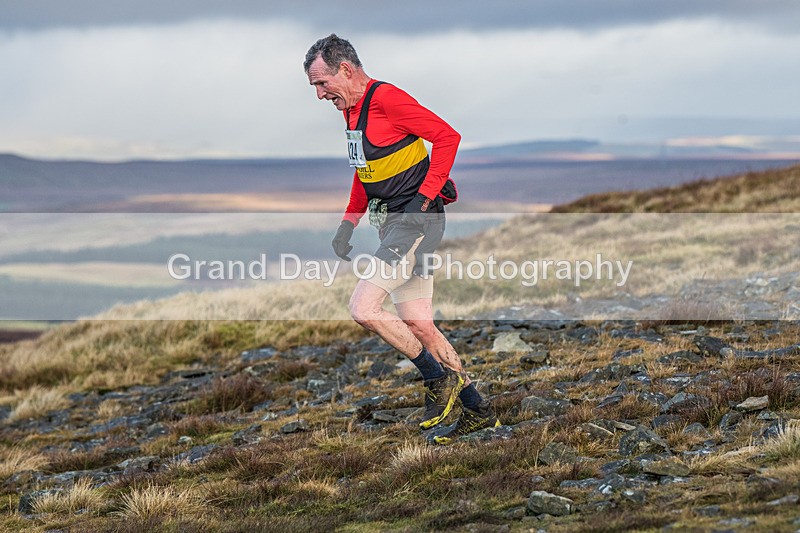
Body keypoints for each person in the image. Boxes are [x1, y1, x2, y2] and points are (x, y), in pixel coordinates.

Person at [304, 34, 500, 444]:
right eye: (315, 87)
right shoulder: (351, 112)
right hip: (392, 223)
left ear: (345, 69)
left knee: (363, 307)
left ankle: (436, 378)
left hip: (415, 224)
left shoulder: (387, 99)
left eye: (322, 83)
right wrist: (348, 223)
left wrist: (425, 198)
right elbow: (365, 171)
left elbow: (447, 137)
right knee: (420, 325)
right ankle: (478, 411)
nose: (319, 95)